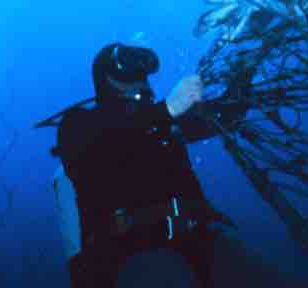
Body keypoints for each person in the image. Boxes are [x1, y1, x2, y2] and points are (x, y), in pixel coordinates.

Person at [50, 43, 250, 288]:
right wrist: (167, 109)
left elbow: (228, 116)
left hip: (201, 241)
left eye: (142, 76)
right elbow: (108, 133)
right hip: (133, 256)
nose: (140, 82)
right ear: (105, 80)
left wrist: (246, 64)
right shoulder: (79, 124)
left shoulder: (162, 123)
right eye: (128, 75)